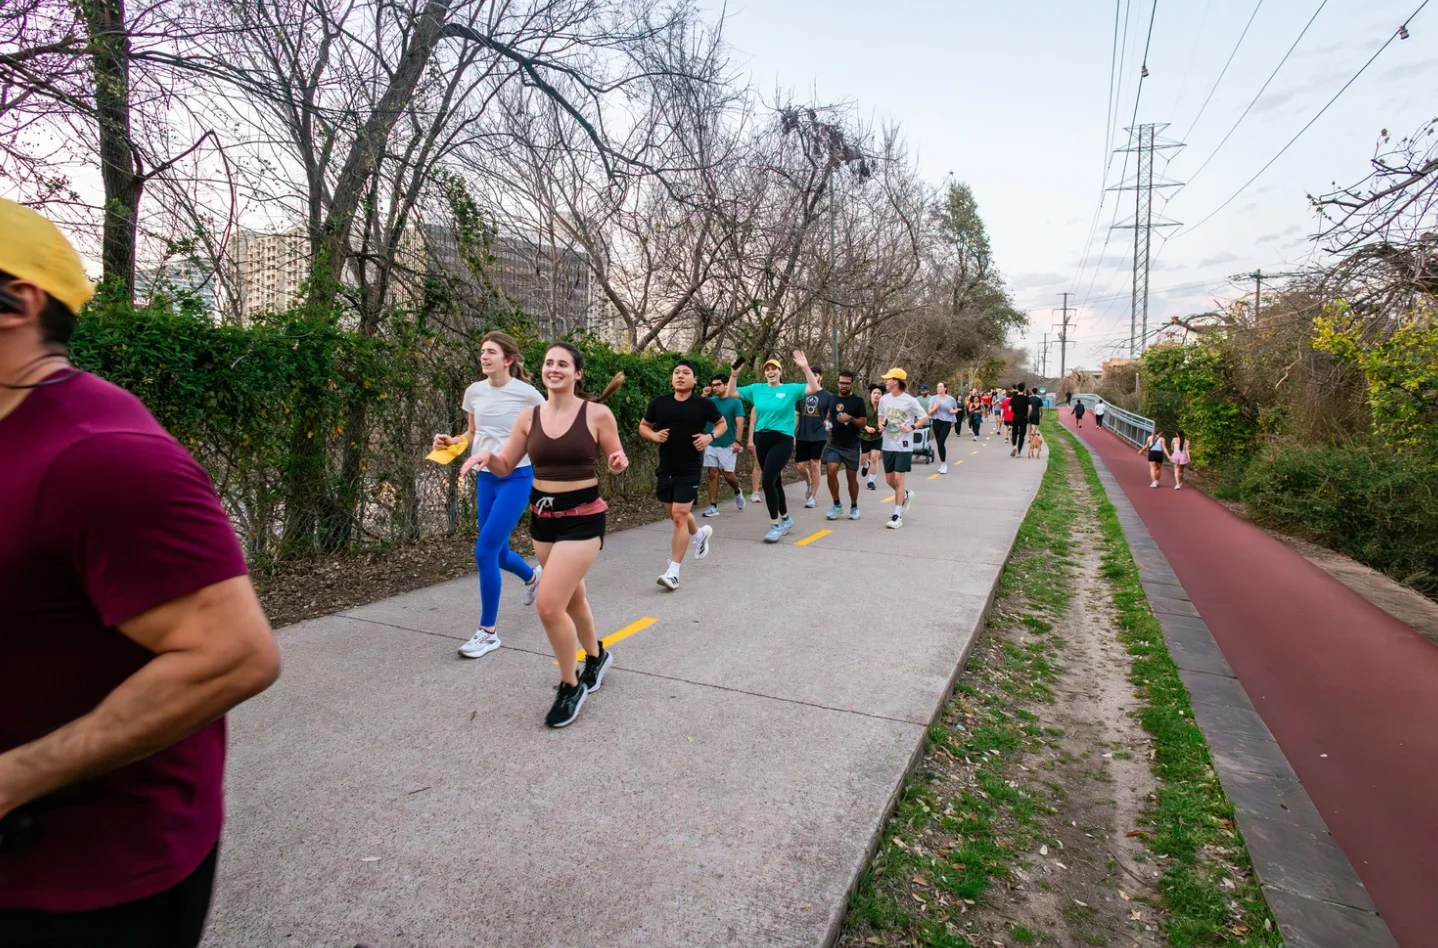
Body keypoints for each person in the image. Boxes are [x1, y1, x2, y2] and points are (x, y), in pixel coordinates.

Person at [0, 199, 281, 946]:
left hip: (80, 886)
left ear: (15, 298)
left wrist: (13, 778)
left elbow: (233, 655)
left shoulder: (102, 456)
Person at [460, 343, 627, 728]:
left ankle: (571, 685)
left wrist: (618, 464)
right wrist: (487, 457)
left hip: (584, 519)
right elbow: (505, 464)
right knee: (574, 599)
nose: (554, 368)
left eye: (563, 364)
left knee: (549, 606)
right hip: (543, 519)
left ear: (577, 373)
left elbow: (616, 460)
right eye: (549, 363)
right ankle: (596, 656)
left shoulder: (597, 414)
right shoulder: (528, 418)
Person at [432, 331, 545, 660]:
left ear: (507, 360)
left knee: (484, 551)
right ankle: (531, 575)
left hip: (517, 477)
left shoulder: (527, 395)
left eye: (491, 352)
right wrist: (451, 442)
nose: (484, 356)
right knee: (497, 553)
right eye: (482, 351)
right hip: (485, 477)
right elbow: (472, 433)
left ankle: (488, 632)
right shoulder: (474, 392)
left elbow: (546, 432)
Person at [640, 361, 724, 590]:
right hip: (666, 467)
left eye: (686, 373)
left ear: (695, 380)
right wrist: (654, 436)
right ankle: (698, 535)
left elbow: (721, 424)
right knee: (675, 514)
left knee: (679, 515)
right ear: (672, 379)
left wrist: (710, 438)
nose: (680, 376)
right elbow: (644, 426)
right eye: (676, 373)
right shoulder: (660, 403)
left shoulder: (703, 404)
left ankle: (674, 572)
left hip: (690, 467)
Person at [727, 353, 821, 543]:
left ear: (780, 371)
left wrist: (805, 367)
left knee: (768, 480)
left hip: (782, 439)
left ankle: (775, 524)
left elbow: (814, 388)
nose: (770, 371)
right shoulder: (757, 389)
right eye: (767, 369)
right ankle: (786, 519)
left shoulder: (790, 389)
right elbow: (731, 393)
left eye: (774, 368)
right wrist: (734, 374)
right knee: (775, 481)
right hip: (762, 438)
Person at [877, 368, 928, 529]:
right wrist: (881, 424)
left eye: (888, 379)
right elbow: (880, 416)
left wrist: (912, 427)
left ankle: (897, 515)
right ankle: (905, 495)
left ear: (896, 381)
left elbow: (924, 417)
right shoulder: (884, 400)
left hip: (904, 445)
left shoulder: (910, 401)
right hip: (888, 444)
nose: (886, 381)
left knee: (899, 478)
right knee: (889, 479)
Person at [820, 369, 868, 520]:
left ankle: (854, 507)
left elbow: (863, 423)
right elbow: (829, 415)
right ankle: (837, 505)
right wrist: (827, 422)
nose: (844, 385)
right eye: (841, 382)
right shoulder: (833, 399)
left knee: (851, 478)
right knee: (831, 470)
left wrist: (851, 418)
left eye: (847, 383)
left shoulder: (858, 401)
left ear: (852, 384)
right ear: (838, 383)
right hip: (835, 444)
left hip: (852, 445)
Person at [700, 373, 747, 518]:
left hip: (728, 443)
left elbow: (740, 423)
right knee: (712, 473)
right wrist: (703, 394)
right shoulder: (710, 402)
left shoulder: (735, 402)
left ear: (726, 385)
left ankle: (737, 490)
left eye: (717, 384)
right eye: (713, 385)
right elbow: (695, 408)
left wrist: (737, 442)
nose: (714, 387)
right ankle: (713, 506)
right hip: (711, 442)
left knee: (728, 474)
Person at [793, 366, 829, 508]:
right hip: (803, 434)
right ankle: (809, 483)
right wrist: (793, 432)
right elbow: (796, 416)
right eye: (811, 374)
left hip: (819, 435)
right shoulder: (801, 394)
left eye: (816, 375)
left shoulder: (827, 396)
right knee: (801, 466)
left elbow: (830, 416)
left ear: (821, 377)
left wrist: (828, 423)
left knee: (815, 464)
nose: (814, 377)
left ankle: (813, 497)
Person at [925, 381, 959, 474]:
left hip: (946, 422)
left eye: (940, 387)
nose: (938, 388)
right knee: (939, 443)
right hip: (936, 421)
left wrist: (953, 411)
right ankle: (942, 463)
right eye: (937, 387)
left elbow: (955, 409)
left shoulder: (951, 399)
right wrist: (936, 407)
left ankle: (944, 465)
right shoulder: (933, 399)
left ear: (945, 388)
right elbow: (929, 412)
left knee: (941, 442)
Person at [860, 383, 884, 490]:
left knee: (875, 458)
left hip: (878, 436)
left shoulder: (885, 407)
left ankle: (871, 481)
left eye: (879, 393)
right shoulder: (864, 406)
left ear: (882, 395)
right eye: (874, 393)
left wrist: (884, 430)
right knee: (862, 460)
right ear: (870, 394)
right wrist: (867, 427)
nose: (876, 395)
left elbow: (888, 420)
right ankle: (866, 465)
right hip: (865, 435)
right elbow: (859, 421)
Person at [746, 404, 763, 503]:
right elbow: (752, 423)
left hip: (775, 437)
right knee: (758, 464)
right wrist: (750, 440)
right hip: (760, 436)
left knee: (774, 466)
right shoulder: (757, 405)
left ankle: (774, 489)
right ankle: (755, 492)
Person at [1009, 382, 1030, 457]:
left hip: (1016, 416)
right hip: (1023, 417)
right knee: (1022, 435)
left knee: (1014, 432)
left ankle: (1014, 446)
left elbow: (1010, 408)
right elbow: (1030, 408)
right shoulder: (1026, 398)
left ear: (1017, 389)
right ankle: (1019, 452)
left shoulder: (1014, 398)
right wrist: (1027, 415)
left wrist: (1015, 411)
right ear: (1024, 389)